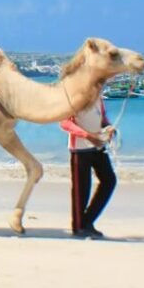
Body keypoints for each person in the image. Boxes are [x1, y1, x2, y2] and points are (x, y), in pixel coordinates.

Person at [60, 97, 117, 238]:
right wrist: (87, 136)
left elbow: (102, 119)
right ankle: (78, 227)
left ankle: (87, 221)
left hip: (98, 147)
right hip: (79, 149)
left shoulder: (98, 98)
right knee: (82, 190)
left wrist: (108, 128)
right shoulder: (74, 97)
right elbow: (65, 123)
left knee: (109, 181)